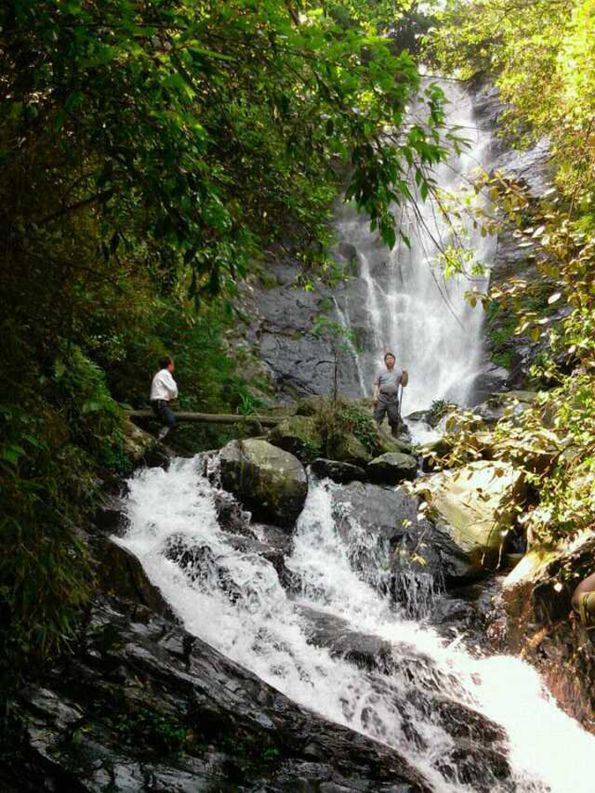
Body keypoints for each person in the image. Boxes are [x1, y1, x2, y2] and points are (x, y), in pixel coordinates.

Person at [372, 352, 408, 437]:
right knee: (377, 417)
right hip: (382, 397)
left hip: (393, 398)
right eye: (387, 359)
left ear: (394, 360)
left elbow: (404, 384)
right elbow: (376, 384)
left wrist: (406, 374)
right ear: (385, 361)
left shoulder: (399, 372)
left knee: (394, 419)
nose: (389, 361)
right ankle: (375, 435)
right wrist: (374, 396)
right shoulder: (380, 372)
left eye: (391, 359)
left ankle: (394, 435)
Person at [150, 356, 178, 441]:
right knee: (170, 420)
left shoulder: (160, 374)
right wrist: (173, 396)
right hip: (160, 401)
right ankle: (158, 438)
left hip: (157, 402)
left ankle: (158, 438)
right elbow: (173, 389)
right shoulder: (165, 374)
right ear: (169, 365)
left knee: (165, 419)